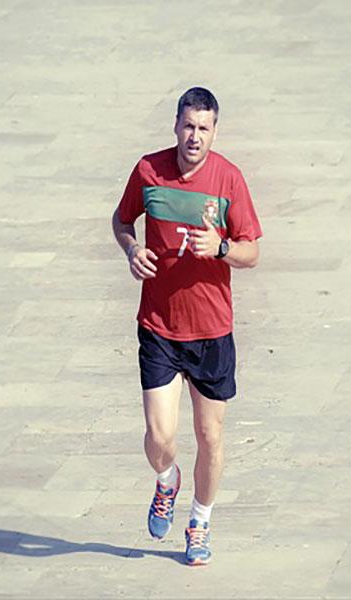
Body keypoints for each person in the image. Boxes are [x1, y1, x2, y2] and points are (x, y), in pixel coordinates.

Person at [111, 87, 262, 566]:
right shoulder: (148, 171)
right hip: (158, 324)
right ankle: (166, 480)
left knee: (210, 437)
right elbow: (120, 221)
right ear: (175, 125)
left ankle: (199, 522)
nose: (194, 136)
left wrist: (219, 248)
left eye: (204, 128)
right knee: (159, 438)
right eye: (188, 126)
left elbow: (251, 251)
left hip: (212, 331)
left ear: (214, 131)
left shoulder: (228, 179)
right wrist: (132, 250)